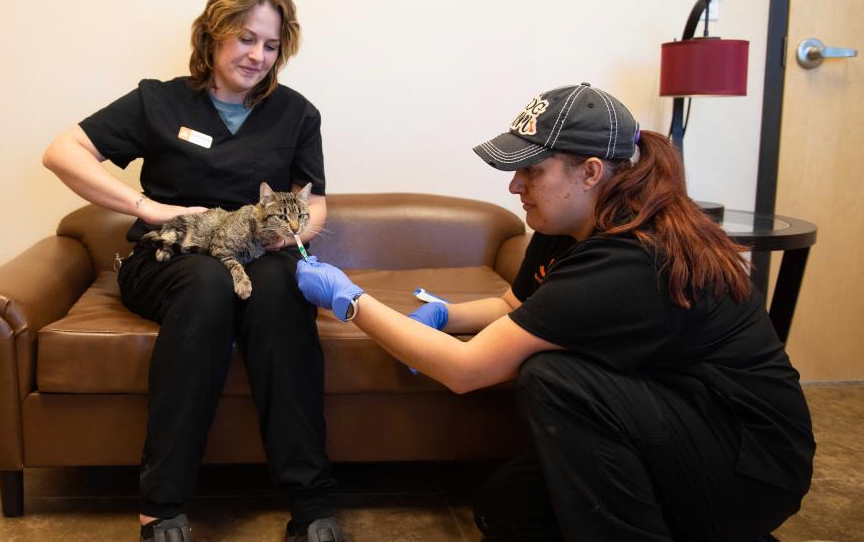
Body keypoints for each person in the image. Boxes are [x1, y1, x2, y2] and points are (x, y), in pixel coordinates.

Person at [294, 82, 815, 541]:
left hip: (748, 466)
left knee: (554, 376)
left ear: (590, 172)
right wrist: (441, 316)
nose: (514, 186)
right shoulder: (564, 224)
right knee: (506, 513)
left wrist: (352, 301)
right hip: (668, 416)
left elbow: (466, 370)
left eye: (531, 171)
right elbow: (513, 306)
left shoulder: (632, 257)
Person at [43, 0, 344, 542]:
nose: (258, 55)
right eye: (245, 38)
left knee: (281, 289)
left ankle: (312, 506)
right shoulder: (158, 101)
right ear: (212, 36)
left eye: (271, 44)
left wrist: (290, 236)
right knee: (207, 285)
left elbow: (316, 199)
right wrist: (147, 205)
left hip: (259, 251)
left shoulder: (296, 113)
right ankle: (162, 505)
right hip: (170, 257)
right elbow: (62, 152)